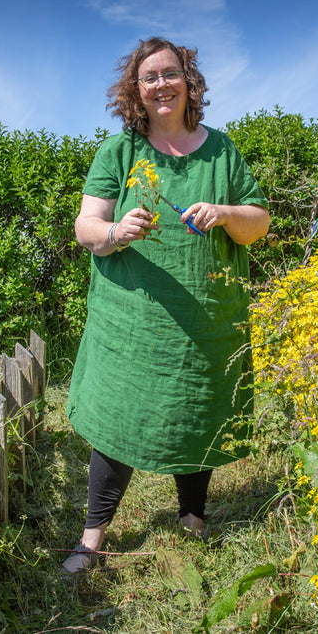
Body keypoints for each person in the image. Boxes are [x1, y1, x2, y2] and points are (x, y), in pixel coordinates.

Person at [63, 37, 270, 573]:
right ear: (136, 89)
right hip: (130, 321)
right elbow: (86, 227)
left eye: (170, 74)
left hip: (206, 314)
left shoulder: (222, 151)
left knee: (194, 408)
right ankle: (92, 539)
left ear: (189, 81)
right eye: (149, 77)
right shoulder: (120, 150)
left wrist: (225, 212)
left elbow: (258, 224)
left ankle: (192, 519)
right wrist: (116, 230)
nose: (161, 84)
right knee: (118, 414)